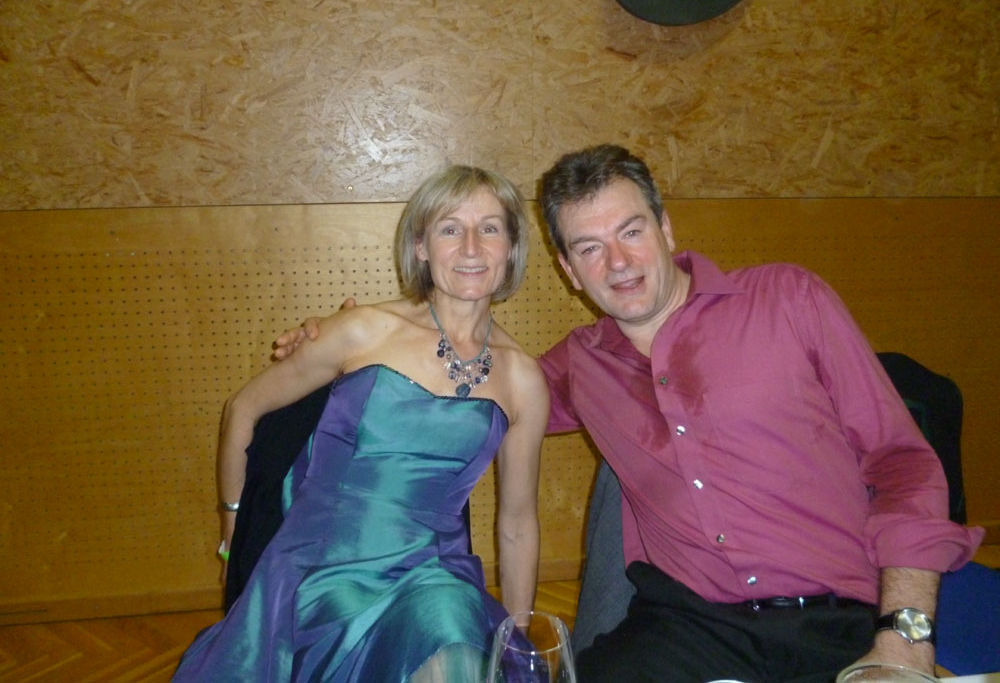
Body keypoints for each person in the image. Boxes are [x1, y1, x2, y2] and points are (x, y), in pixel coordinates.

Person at [274, 144, 984, 683]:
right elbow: (461, 379)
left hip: (839, 619)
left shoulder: (788, 300)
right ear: (567, 269)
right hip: (688, 626)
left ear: (667, 228)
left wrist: (905, 634)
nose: (617, 262)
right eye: (590, 247)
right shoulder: (577, 366)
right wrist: (347, 340)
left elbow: (903, 462)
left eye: (631, 231)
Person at [174, 165, 549, 682]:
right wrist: (234, 526)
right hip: (318, 568)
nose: (470, 247)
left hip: (432, 575)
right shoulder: (364, 331)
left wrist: (516, 635)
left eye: (489, 228)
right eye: (449, 228)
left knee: (448, 626)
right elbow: (244, 408)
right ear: (420, 247)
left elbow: (518, 522)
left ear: (510, 248)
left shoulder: (523, 379)